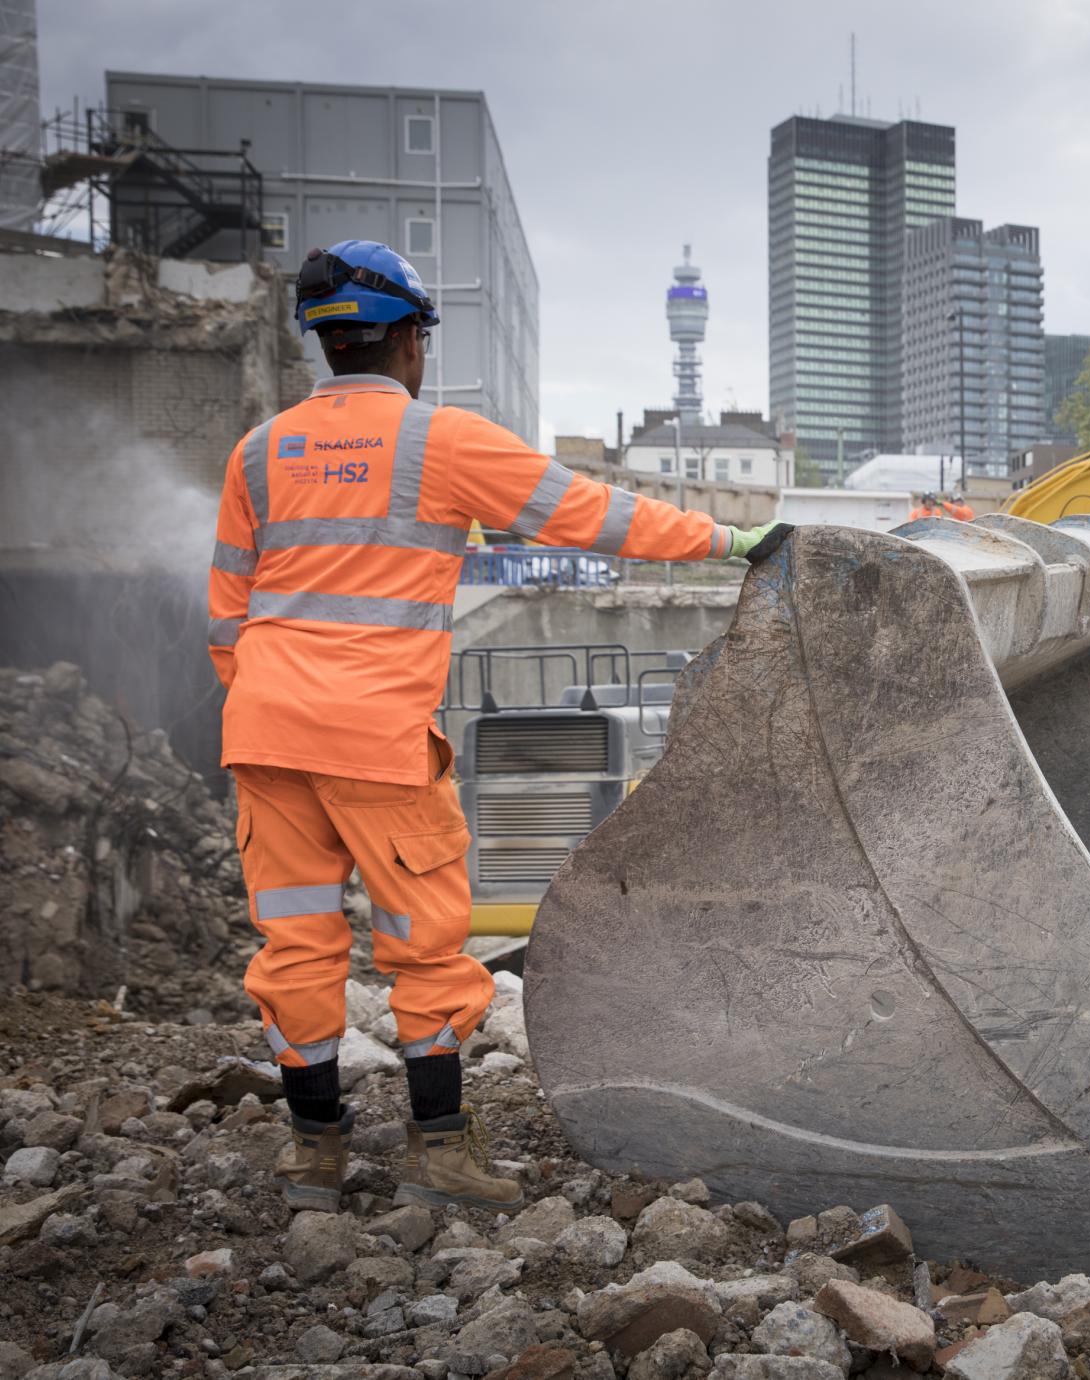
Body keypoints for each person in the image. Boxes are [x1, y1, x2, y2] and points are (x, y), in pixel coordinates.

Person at [205, 241, 792, 1212]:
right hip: (375, 739)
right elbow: (589, 514)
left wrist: (268, 698)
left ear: (326, 345)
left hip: (265, 731)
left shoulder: (258, 453)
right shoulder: (439, 441)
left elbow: (227, 612)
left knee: (295, 943)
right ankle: (439, 1151)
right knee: (424, 941)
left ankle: (312, 1153)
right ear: (406, 342)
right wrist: (728, 541)